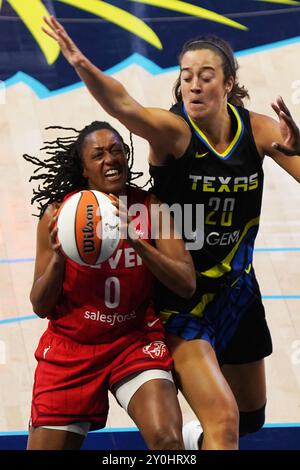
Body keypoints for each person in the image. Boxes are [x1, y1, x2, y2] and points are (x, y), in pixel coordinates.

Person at [42, 16, 300, 450]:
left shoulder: (258, 130)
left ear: (229, 84)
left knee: (251, 417)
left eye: (206, 76)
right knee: (225, 420)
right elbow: (124, 106)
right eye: (186, 77)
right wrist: (82, 64)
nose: (194, 85)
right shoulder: (174, 132)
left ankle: (196, 435)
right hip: (182, 300)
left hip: (238, 291)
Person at [24, 120, 196, 450]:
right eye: (98, 154)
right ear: (84, 168)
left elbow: (187, 284)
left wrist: (139, 243)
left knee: (169, 443)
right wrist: (59, 260)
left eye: (117, 150)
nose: (110, 159)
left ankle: (185, 440)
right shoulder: (58, 216)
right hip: (71, 348)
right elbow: (39, 305)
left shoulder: (151, 208)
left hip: (133, 341)